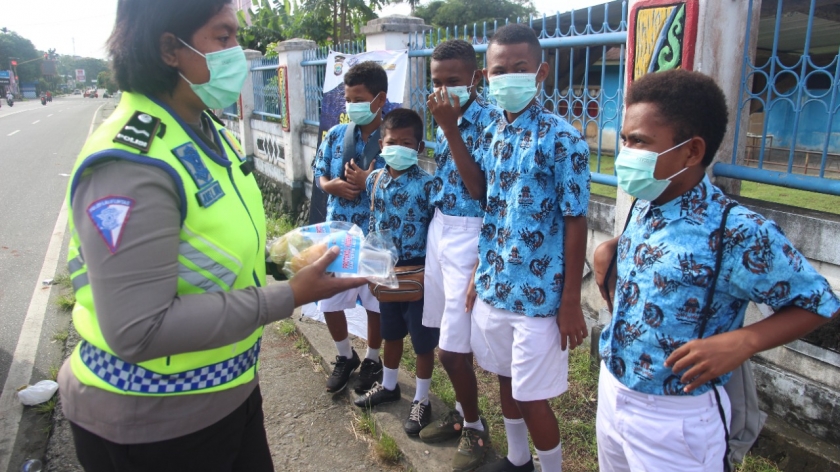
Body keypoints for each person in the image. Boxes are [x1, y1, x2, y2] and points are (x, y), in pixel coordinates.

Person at [57, 1, 367, 471]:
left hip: (226, 390)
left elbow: (211, 247)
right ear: (169, 49)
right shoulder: (130, 163)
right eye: (222, 39)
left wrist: (289, 257)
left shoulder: (205, 128)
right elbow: (138, 328)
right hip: (153, 421)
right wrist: (287, 295)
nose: (237, 53)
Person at [593, 69, 840, 471]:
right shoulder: (648, 200)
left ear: (691, 152)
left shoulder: (738, 231)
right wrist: (612, 247)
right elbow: (663, 251)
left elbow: (819, 303)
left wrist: (744, 342)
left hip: (678, 417)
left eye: (639, 141)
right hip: (614, 389)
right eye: (625, 138)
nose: (625, 152)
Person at [431, 23, 591, 472]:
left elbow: (576, 219)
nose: (509, 77)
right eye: (500, 70)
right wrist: (479, 272)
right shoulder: (493, 134)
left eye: (519, 68)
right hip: (494, 286)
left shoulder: (563, 139)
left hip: (540, 297)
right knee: (505, 378)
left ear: (541, 72)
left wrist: (572, 300)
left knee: (532, 396)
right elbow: (486, 200)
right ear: (487, 74)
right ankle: (518, 461)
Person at [418, 39, 501, 471]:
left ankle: (475, 427)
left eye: (453, 80)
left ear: (475, 78)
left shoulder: (489, 121)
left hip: (470, 234)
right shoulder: (442, 118)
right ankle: (464, 414)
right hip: (441, 226)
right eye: (436, 82)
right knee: (442, 335)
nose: (443, 89)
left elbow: (480, 191)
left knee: (452, 349)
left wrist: (450, 128)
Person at [352, 108, 440, 436]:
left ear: (418, 148)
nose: (398, 147)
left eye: (407, 142)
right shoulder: (374, 181)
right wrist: (372, 269)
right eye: (392, 141)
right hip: (387, 273)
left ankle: (421, 399)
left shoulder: (430, 186)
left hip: (419, 273)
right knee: (390, 334)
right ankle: (389, 386)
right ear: (381, 142)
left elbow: (439, 230)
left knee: (422, 342)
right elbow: (373, 225)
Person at [312, 61, 389, 395]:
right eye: (347, 99)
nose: (351, 105)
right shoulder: (334, 136)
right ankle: (345, 355)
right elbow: (319, 175)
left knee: (375, 303)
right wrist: (332, 187)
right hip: (339, 233)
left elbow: (406, 187)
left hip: (376, 236)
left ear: (379, 99)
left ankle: (372, 358)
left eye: (358, 98)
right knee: (328, 298)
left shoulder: (394, 140)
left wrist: (368, 181)